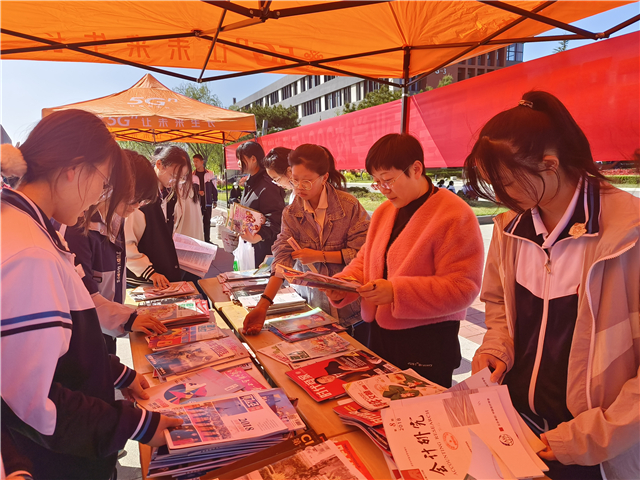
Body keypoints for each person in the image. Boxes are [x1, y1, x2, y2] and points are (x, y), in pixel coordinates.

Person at [465, 91, 640, 480]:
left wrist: (587, 440)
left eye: (506, 183)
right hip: (516, 426)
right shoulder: (512, 228)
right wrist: (496, 347)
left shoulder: (629, 233)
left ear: (549, 164)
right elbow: (498, 304)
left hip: (593, 449)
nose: (502, 197)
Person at [0, 110, 180, 480]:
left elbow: (61, 353)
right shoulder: (30, 252)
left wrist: (117, 373)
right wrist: (136, 424)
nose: (100, 195)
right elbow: (32, 399)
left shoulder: (33, 229)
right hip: (60, 461)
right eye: (103, 181)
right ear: (74, 168)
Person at [323, 133, 484, 388]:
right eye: (377, 182)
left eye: (388, 180)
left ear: (416, 169)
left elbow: (463, 288)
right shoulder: (385, 211)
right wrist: (344, 283)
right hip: (379, 334)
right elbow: (368, 258)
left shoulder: (454, 214)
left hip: (427, 341)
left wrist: (397, 292)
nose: (383, 189)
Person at [243, 144, 370, 334]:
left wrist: (320, 256)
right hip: (312, 307)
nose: (299, 188)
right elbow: (282, 259)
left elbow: (363, 254)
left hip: (350, 310)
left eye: (307, 182)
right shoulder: (291, 213)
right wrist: (263, 305)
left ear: (324, 177)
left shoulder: (349, 207)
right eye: (295, 180)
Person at [59, 150, 167, 355]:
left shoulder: (115, 220)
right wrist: (128, 319)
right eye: (134, 199)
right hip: (83, 339)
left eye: (141, 202)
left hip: (107, 329)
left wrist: (125, 317)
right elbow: (83, 297)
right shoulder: (77, 227)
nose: (137, 207)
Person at [125, 146, 191, 288]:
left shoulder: (168, 195)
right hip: (144, 280)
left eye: (181, 178)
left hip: (162, 276)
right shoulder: (141, 197)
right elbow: (127, 243)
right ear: (159, 164)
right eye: (173, 175)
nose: (175, 181)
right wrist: (149, 272)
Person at [235, 141, 286, 267]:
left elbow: (276, 218)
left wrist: (258, 236)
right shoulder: (250, 181)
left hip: (263, 251)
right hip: (249, 248)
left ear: (253, 159)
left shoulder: (267, 185)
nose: (238, 163)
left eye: (241, 159)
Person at [191, 153, 218, 243]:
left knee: (207, 221)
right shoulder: (192, 175)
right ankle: (199, 240)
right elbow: (190, 190)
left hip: (207, 201)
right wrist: (197, 193)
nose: (195, 163)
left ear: (202, 162)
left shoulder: (210, 174)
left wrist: (215, 199)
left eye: (197, 161)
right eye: (194, 161)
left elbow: (214, 187)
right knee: (197, 222)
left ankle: (207, 240)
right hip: (196, 203)